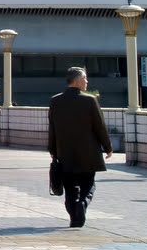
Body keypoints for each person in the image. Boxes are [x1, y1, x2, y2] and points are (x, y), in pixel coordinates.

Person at [48, 67, 113, 228]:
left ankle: (75, 219)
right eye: (85, 79)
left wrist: (53, 151)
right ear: (77, 81)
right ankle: (82, 204)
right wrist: (108, 147)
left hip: (65, 153)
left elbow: (52, 128)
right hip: (88, 153)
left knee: (70, 188)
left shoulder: (55, 101)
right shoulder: (89, 100)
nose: (87, 82)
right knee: (88, 184)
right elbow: (100, 127)